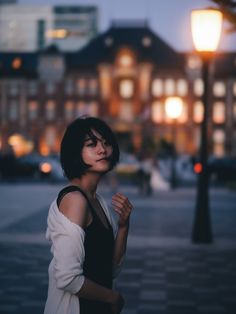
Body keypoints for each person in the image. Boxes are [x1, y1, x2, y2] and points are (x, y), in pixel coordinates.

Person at [44, 117, 133, 314]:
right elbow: (67, 278)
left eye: (106, 143)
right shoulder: (75, 200)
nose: (103, 149)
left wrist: (124, 226)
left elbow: (111, 269)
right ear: (76, 152)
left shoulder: (97, 201)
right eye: (91, 144)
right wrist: (113, 297)